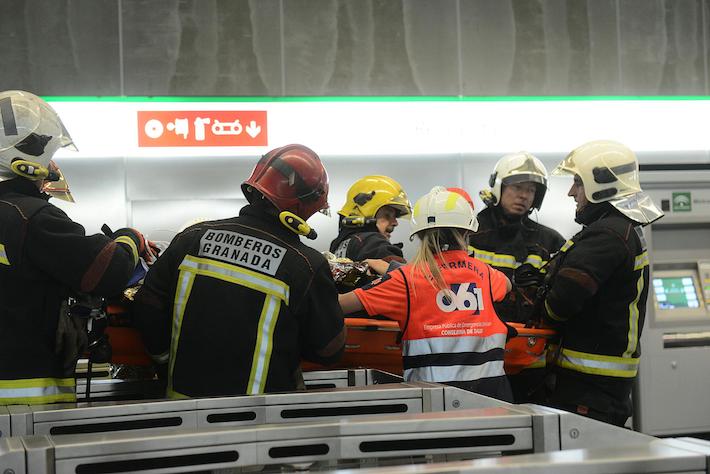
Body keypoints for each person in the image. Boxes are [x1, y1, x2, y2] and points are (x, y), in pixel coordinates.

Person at [133, 144, 346, 398]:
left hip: (182, 413)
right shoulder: (305, 265)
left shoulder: (191, 238)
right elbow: (329, 351)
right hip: (259, 427)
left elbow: (147, 305)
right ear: (302, 207)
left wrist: (164, 360)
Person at [0, 90, 153, 405]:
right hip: (21, 398)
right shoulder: (31, 216)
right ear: (28, 154)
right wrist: (130, 238)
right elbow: (108, 270)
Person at [339, 186, 514, 401]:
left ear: (419, 234)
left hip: (432, 406)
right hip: (493, 401)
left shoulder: (405, 280)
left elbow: (339, 305)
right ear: (467, 231)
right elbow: (506, 285)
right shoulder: (485, 274)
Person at [543, 139, 663, 426]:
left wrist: (542, 293)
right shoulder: (621, 229)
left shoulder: (606, 236)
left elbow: (558, 306)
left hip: (588, 387)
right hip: (603, 386)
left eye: (577, 183)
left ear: (601, 187)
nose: (572, 192)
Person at [469, 152, 565, 403]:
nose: (524, 195)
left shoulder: (549, 240)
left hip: (530, 362)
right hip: (477, 356)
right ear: (499, 187)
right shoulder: (469, 234)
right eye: (517, 187)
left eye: (531, 190)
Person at [330, 175, 411, 265]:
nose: (395, 223)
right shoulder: (372, 243)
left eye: (395, 217)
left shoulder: (338, 245)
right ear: (366, 215)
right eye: (387, 215)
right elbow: (403, 277)